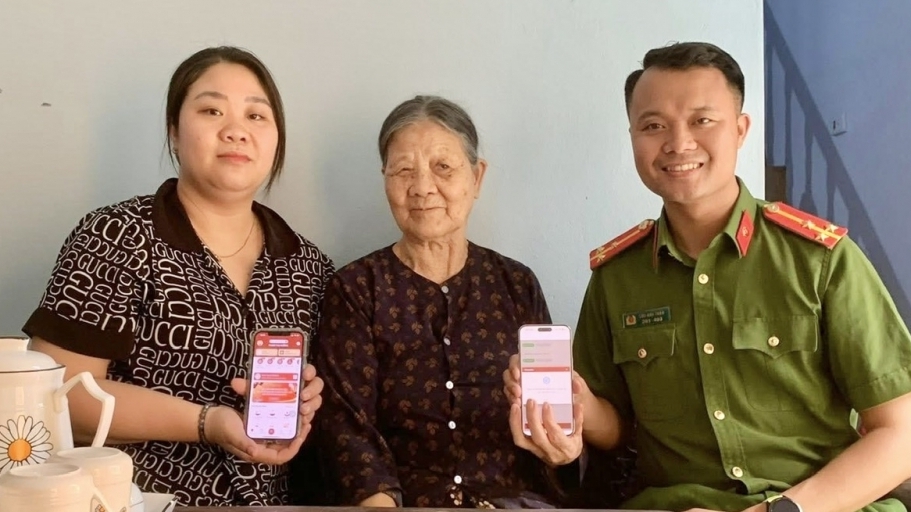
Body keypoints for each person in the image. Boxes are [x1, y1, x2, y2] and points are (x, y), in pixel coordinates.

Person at [504, 41, 911, 512]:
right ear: (633, 137)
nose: (678, 143)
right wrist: (572, 417)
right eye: (653, 126)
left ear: (740, 130)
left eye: (702, 120)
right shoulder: (617, 276)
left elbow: (900, 433)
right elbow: (617, 428)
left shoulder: (820, 260)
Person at [22, 46, 334, 506]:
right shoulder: (116, 235)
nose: (236, 131)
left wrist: (308, 403)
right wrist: (207, 422)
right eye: (211, 111)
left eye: (256, 116)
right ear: (174, 130)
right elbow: (57, 398)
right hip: (136, 500)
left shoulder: (309, 266)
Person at [314, 95, 574, 508]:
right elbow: (347, 426)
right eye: (403, 170)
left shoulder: (516, 283)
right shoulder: (356, 288)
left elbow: (551, 419)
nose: (422, 187)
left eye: (443, 167)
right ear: (385, 179)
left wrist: (561, 449)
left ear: (477, 176)